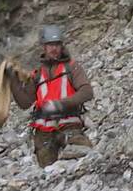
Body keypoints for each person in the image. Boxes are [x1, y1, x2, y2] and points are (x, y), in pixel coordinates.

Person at [8, 25, 94, 167]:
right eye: (50, 45)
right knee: (48, 172)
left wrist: (60, 104)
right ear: (44, 47)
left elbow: (87, 92)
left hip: (69, 125)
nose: (54, 48)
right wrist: (12, 81)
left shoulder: (72, 67)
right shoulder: (37, 74)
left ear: (62, 46)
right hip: (44, 132)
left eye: (57, 45)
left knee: (82, 160)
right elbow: (25, 103)